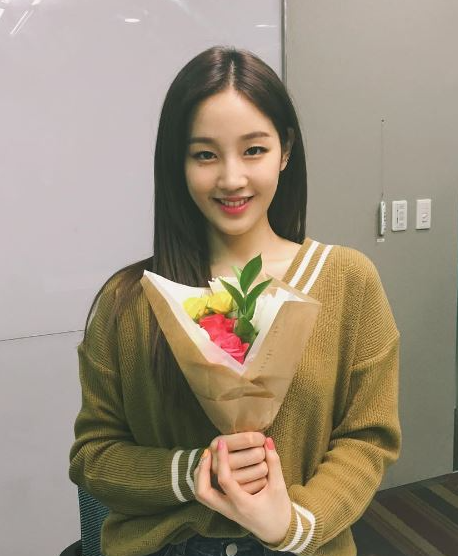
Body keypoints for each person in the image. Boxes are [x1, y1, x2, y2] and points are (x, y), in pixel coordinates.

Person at [68, 45, 401, 556]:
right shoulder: (126, 301)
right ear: (178, 163)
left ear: (285, 151)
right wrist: (193, 470)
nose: (230, 178)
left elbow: (367, 439)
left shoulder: (349, 281)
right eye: (204, 154)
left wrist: (294, 522)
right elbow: (93, 456)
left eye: (254, 150)